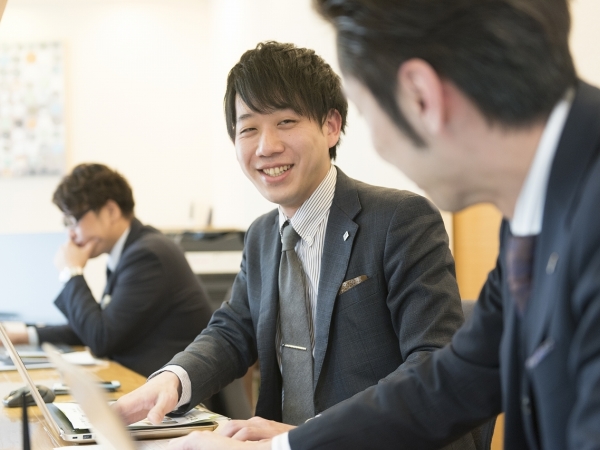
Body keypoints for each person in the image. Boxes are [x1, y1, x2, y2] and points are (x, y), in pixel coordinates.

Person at [164, 0, 600, 449]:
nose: (380, 145)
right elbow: (452, 380)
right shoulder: (534, 215)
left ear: (421, 94)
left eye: (370, 116)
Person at [115, 41, 476, 449]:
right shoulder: (261, 235)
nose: (266, 146)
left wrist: (309, 435)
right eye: (248, 128)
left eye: (285, 122)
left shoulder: (400, 219)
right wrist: (169, 381)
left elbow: (431, 362)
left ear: (331, 126)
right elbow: (232, 332)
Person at [2, 163, 213, 377]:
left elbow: (101, 338)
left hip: (175, 398)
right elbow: (97, 324)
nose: (71, 235)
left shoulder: (148, 255)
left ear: (111, 211)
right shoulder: (130, 251)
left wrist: (72, 272)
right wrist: (24, 335)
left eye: (73, 221)